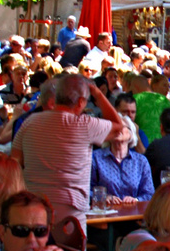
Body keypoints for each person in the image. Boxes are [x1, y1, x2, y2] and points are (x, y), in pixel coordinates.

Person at [14, 74, 123, 239]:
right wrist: (98, 94)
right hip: (70, 212)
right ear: (80, 102)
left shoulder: (30, 122)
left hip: (33, 208)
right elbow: (118, 128)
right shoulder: (85, 125)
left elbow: (15, 161)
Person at [91, 119, 155, 203]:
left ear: (131, 134)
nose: (117, 129)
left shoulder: (140, 161)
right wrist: (103, 197)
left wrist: (136, 200)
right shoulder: (96, 157)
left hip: (133, 213)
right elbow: (86, 191)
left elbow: (149, 194)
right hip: (106, 212)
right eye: (114, 127)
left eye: (122, 126)